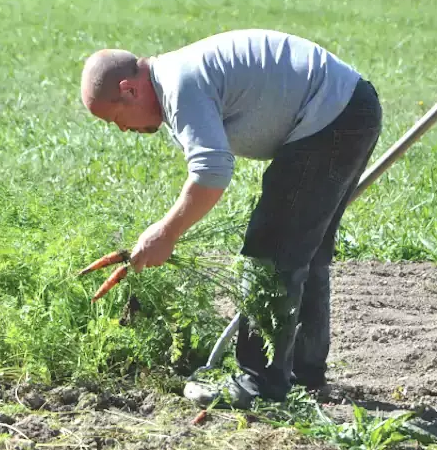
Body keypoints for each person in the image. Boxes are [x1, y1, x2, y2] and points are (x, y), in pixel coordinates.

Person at [80, 29, 382, 409]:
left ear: (129, 90)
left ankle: (258, 383)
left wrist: (166, 232)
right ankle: (302, 374)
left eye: (117, 118)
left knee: (269, 253)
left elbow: (211, 173)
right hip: (347, 108)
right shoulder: (175, 78)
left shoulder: (179, 84)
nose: (123, 129)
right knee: (303, 251)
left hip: (333, 116)